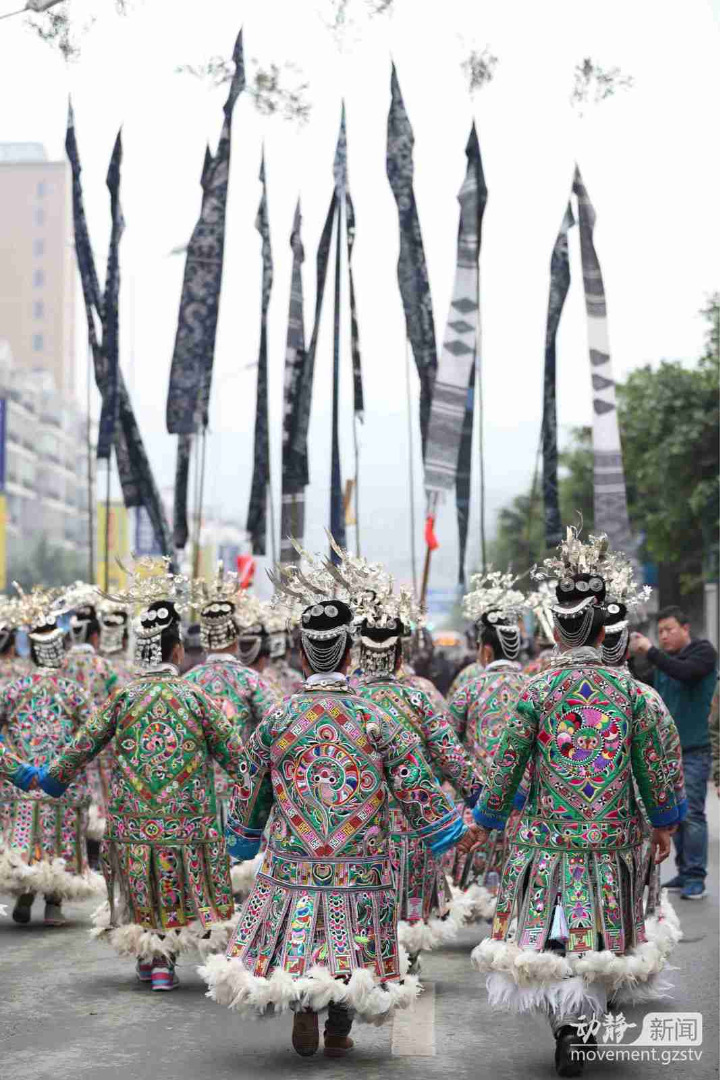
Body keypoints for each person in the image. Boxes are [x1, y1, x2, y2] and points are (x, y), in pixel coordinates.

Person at [200, 567, 467, 1059]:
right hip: (361, 862)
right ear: (348, 653)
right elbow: (416, 784)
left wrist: (243, 837)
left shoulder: (280, 717)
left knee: (303, 936)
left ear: (303, 653)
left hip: (294, 860)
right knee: (352, 942)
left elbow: (250, 785)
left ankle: (304, 1007)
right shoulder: (376, 718)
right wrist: (449, 831)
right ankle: (339, 1025)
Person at [463, 529, 679, 1078]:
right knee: (603, 935)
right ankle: (584, 1025)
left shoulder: (535, 691)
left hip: (547, 843)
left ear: (556, 629)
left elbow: (507, 765)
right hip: (612, 842)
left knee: (553, 935)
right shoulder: (635, 694)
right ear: (605, 630)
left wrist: (487, 819)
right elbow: (655, 766)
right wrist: (663, 823)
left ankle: (566, 1026)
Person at [36, 562, 247, 991]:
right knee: (175, 886)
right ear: (174, 653)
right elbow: (238, 758)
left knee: (143, 886)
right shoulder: (196, 698)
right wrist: (266, 793)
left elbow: (83, 744)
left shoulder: (123, 698)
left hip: (133, 819)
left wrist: (51, 779)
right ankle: (165, 962)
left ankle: (154, 961)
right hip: (189, 821)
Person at [349, 574, 481, 970]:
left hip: (353, 825)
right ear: (399, 653)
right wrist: (485, 802)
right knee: (407, 898)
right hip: (412, 822)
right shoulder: (419, 696)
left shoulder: (341, 700)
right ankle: (405, 956)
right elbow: (450, 755)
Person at [0, 589, 103, 926]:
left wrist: (12, 766)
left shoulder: (14, 689)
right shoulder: (74, 691)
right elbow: (92, 735)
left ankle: (26, 893)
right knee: (60, 844)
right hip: (63, 784)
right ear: (59, 653)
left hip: (23, 784)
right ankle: (54, 905)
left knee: (28, 843)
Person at [184, 568, 278, 896]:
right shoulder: (251, 680)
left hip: (199, 791)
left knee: (205, 868)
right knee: (243, 873)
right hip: (243, 789)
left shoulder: (188, 682)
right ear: (236, 639)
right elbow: (275, 727)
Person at [447, 571, 528, 922]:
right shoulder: (534, 685)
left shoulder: (469, 686)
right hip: (526, 798)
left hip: (478, 796)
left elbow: (447, 743)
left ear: (485, 648)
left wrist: (463, 785)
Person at [630, 605, 717, 900]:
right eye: (661, 631)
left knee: (692, 812)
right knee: (674, 811)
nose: (664, 636)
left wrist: (652, 651)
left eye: (669, 629)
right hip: (667, 752)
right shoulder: (664, 663)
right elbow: (644, 686)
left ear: (685, 628)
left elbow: (686, 673)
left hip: (695, 747)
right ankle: (683, 870)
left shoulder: (703, 652)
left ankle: (695, 876)